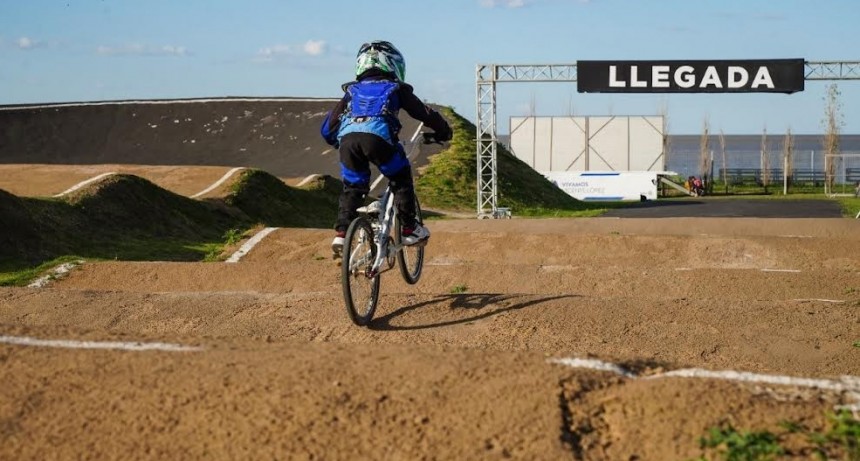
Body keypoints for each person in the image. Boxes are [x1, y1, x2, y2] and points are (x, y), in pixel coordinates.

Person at [320, 40, 452, 257]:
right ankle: (409, 228)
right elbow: (425, 114)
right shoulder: (395, 88)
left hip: (348, 142)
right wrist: (444, 131)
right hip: (379, 140)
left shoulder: (351, 92)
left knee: (353, 187)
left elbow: (327, 129)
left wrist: (340, 141)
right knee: (400, 178)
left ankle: (342, 233)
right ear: (393, 65)